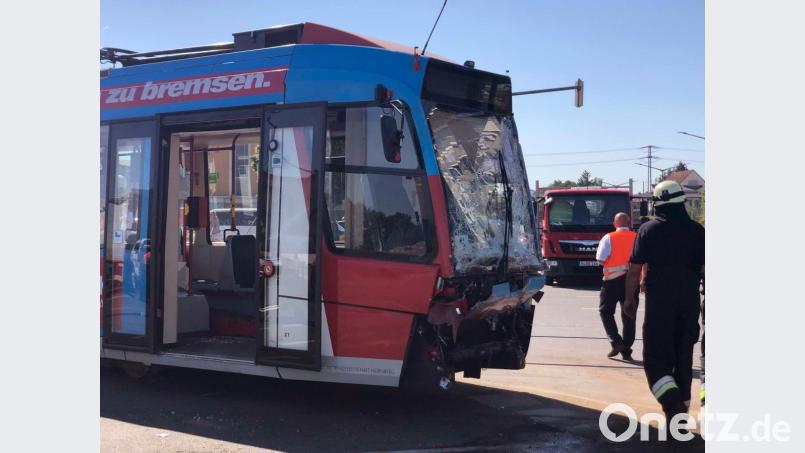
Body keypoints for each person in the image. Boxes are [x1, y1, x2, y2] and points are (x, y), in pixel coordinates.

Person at [624, 180, 705, 422]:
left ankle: (672, 405)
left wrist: (629, 300)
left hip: (660, 303)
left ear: (657, 204)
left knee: (655, 360)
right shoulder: (699, 231)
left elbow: (634, 270)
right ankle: (678, 421)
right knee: (683, 358)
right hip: (689, 301)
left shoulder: (649, 230)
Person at [596, 212, 639, 361]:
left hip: (612, 281)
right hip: (632, 281)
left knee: (605, 311)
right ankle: (626, 349)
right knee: (629, 314)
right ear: (629, 223)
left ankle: (616, 342)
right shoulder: (637, 237)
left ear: (615, 224)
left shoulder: (609, 237)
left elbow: (600, 259)